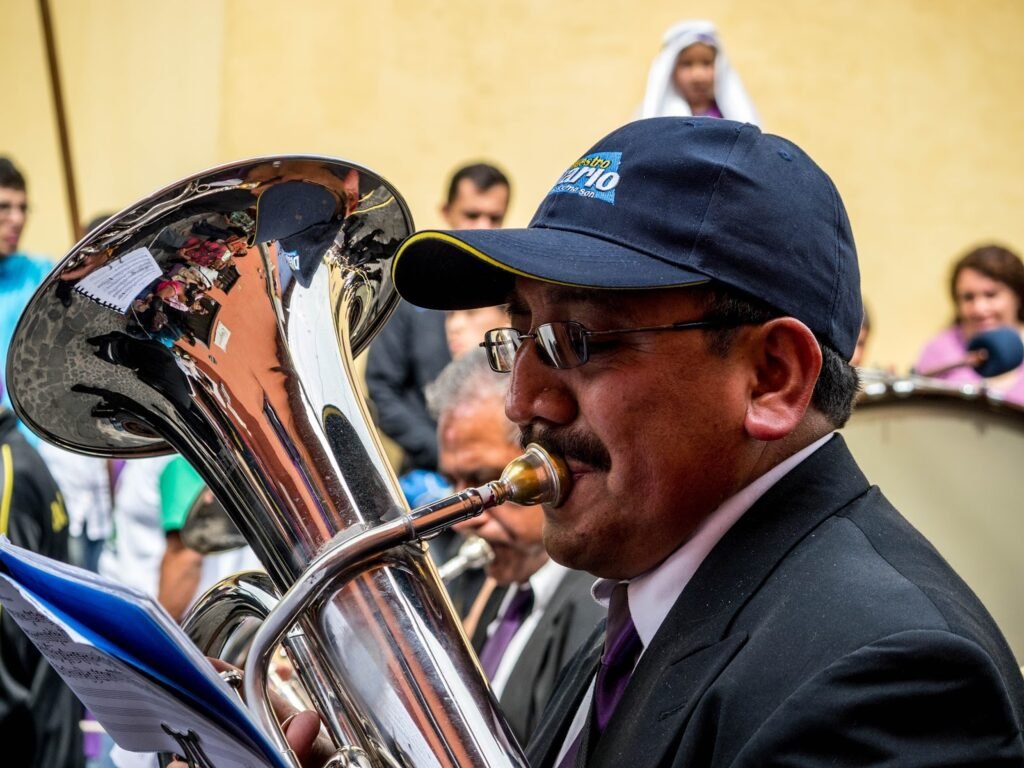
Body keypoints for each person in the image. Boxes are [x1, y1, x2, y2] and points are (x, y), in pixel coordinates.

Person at [388, 118, 1024, 765]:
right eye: (521, 336)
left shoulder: (888, 680)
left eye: (577, 340)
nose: (521, 401)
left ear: (772, 378)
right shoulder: (654, 587)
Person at [427, 349, 605, 745]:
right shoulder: (487, 584)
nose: (466, 515)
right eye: (453, 483)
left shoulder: (600, 606)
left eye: (486, 479)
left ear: (543, 466)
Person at [366, 162, 511, 477]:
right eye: (472, 215)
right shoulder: (408, 291)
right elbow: (382, 390)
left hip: (499, 472)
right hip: (429, 474)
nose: (483, 227)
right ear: (447, 212)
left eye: (495, 217)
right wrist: (443, 454)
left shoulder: (512, 291)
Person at [0, 401, 84, 768]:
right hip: (47, 709)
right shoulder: (16, 457)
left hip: (31, 728)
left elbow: (6, 632)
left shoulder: (7, 473)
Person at [914, 243, 1024, 404]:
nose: (979, 309)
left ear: (1017, 296)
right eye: (968, 297)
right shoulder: (939, 351)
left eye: (991, 295)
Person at [0, 158, 52, 413]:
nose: (18, 219)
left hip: (45, 438)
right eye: (4, 207)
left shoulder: (42, 275)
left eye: (23, 207)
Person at [639, 20, 759, 124]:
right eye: (687, 64)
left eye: (707, 63)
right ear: (670, 70)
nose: (698, 76)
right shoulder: (656, 116)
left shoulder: (730, 117)